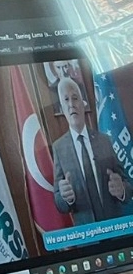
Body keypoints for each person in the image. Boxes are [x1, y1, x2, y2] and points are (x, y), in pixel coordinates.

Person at [51, 76, 130, 224]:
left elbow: (127, 183)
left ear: (83, 104)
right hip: (86, 233)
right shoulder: (58, 148)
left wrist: (122, 190)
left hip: (114, 227)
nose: (71, 104)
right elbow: (59, 202)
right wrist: (66, 198)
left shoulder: (105, 141)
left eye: (75, 98)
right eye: (66, 100)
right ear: (61, 108)